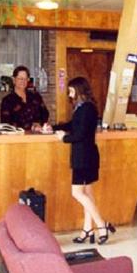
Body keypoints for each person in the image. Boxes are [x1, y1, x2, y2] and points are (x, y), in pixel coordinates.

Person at [52, 77, 115, 245]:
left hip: (83, 157)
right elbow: (72, 125)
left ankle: (102, 225)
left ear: (79, 90)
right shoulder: (84, 108)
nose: (70, 94)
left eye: (72, 91)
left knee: (77, 193)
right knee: (87, 193)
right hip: (87, 155)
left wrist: (63, 139)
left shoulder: (86, 109)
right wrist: (54, 128)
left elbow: (79, 134)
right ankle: (88, 229)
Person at [0, 65, 49, 131]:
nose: (23, 81)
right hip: (18, 137)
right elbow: (6, 123)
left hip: (38, 135)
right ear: (14, 80)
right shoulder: (7, 101)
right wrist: (30, 126)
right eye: (20, 78)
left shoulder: (35, 96)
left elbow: (45, 113)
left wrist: (38, 123)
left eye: (25, 78)